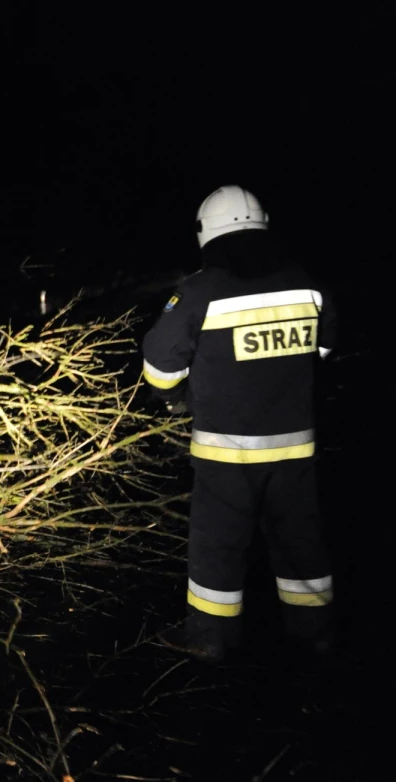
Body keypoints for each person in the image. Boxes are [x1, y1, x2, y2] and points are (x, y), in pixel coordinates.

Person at [141, 185, 337, 663]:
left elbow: (160, 361)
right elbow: (324, 354)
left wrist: (173, 400)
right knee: (300, 540)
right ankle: (317, 633)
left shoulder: (199, 291)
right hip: (295, 449)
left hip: (227, 454)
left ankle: (208, 638)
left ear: (207, 234)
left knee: (218, 545)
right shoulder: (306, 283)